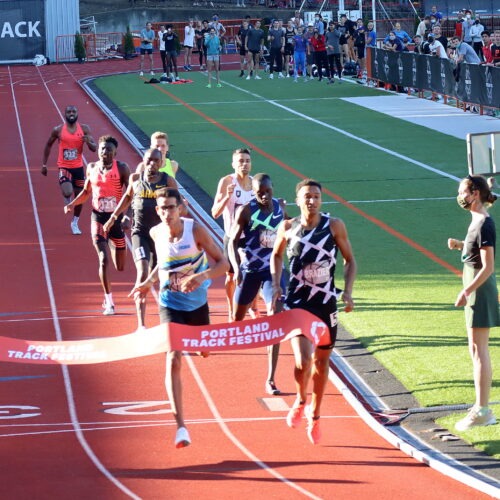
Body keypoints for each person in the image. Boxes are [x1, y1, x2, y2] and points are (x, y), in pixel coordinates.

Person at [130, 187, 228, 448]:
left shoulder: (194, 230)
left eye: (170, 207)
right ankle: (181, 426)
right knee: (173, 358)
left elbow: (223, 263)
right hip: (169, 304)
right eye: (161, 208)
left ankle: (202, 346)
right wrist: (146, 283)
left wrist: (201, 276)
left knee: (203, 351)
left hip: (197, 305)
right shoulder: (155, 232)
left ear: (181, 207)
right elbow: (162, 265)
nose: (166, 213)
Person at [270, 179, 356, 445]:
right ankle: (300, 399)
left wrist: (349, 291)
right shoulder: (287, 227)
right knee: (303, 361)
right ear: (297, 200)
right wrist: (276, 286)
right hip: (297, 303)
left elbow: (350, 260)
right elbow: (275, 256)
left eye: (316, 196)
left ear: (321, 200)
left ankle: (315, 415)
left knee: (321, 362)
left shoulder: (334, 226)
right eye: (307, 196)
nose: (312, 201)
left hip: (326, 304)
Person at [103, 149, 177, 329]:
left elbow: (179, 205)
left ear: (161, 163)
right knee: (142, 273)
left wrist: (183, 229)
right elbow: (127, 198)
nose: (152, 163)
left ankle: (169, 324)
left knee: (165, 278)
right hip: (140, 233)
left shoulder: (167, 181)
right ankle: (141, 326)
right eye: (149, 160)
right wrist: (114, 217)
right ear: (143, 161)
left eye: (156, 161)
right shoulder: (136, 179)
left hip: (161, 235)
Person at [447, 175, 498, 431]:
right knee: (474, 350)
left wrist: (466, 291)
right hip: (475, 289)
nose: (460, 197)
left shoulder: (484, 225)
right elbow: (476, 254)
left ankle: (483, 410)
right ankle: (481, 406)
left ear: (475, 193)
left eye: (463, 192)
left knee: (479, 351)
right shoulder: (477, 221)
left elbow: (488, 267)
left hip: (479, 290)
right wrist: (460, 246)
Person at [228, 174, 287, 396]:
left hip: (272, 272)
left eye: (267, 191)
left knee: (275, 317)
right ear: (253, 192)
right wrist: (235, 268)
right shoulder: (246, 210)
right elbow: (232, 241)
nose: (263, 195)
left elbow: (290, 229)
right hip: (250, 271)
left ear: (273, 189)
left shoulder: (280, 208)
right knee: (237, 320)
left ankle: (270, 378)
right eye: (259, 192)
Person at [64, 135, 130, 315]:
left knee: (120, 266)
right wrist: (72, 204)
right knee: (103, 258)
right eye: (102, 149)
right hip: (98, 218)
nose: (104, 152)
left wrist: (127, 217)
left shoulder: (122, 169)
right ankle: (109, 302)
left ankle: (111, 242)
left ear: (115, 152)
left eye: (108, 149)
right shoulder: (92, 168)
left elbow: (131, 194)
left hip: (115, 219)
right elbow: (86, 192)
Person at [211, 148, 256, 322]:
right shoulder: (227, 182)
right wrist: (226, 196)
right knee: (231, 276)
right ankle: (231, 310)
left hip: (252, 237)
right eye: (241, 161)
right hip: (233, 238)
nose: (245, 164)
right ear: (233, 164)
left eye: (247, 160)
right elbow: (215, 212)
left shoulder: (254, 183)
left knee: (253, 272)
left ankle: (254, 306)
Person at [42, 105, 97, 235]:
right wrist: (44, 165)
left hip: (78, 167)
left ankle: (75, 222)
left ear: (77, 113)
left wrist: (88, 142)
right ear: (65, 114)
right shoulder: (58, 130)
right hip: (64, 166)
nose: (71, 114)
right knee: (67, 192)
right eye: (69, 112)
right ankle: (67, 201)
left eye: (73, 111)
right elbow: (48, 144)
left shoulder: (84, 129)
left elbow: (94, 148)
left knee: (80, 197)